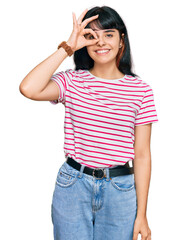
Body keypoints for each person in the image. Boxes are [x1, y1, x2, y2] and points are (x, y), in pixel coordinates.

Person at [19, 5, 158, 240]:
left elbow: (142, 154)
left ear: (121, 40)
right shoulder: (72, 81)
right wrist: (68, 47)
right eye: (91, 36)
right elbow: (28, 88)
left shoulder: (140, 90)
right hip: (73, 186)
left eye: (109, 34)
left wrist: (142, 215)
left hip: (120, 189)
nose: (101, 42)